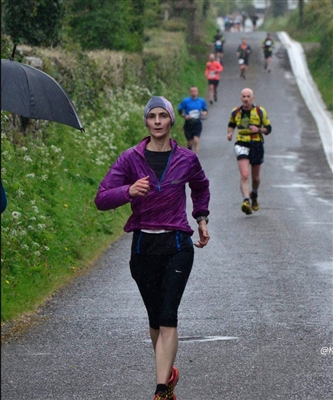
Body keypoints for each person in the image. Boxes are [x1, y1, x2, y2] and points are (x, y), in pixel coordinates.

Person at [95, 96, 210, 400]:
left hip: (177, 245)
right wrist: (128, 190)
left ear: (172, 121)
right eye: (152, 117)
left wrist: (201, 217)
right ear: (146, 122)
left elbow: (200, 186)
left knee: (168, 314)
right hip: (143, 246)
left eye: (163, 116)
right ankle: (168, 376)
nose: (157, 121)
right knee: (155, 319)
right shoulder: (130, 158)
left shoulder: (186, 158)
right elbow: (101, 198)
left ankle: (160, 391)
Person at [227, 88, 272, 215]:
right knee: (245, 175)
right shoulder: (235, 112)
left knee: (256, 178)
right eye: (243, 96)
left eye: (248, 96)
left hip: (256, 144)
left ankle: (254, 194)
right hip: (241, 143)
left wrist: (258, 130)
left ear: (252, 98)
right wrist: (230, 133)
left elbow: (268, 129)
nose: (246, 99)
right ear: (241, 98)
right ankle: (246, 201)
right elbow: (231, 124)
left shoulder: (259, 111)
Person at [178, 86, 208, 154]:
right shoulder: (186, 101)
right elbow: (180, 110)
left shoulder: (201, 101)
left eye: (195, 91)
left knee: (196, 140)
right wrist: (185, 116)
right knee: (190, 142)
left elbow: (205, 110)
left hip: (197, 123)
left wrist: (203, 113)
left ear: (197, 92)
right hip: (188, 123)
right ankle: (189, 151)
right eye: (192, 91)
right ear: (190, 92)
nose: (193, 93)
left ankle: (195, 156)